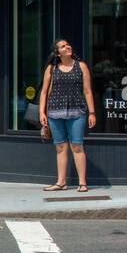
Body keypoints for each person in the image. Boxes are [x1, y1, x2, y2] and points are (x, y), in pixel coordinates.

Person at [39, 39, 96, 192]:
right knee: (60, 147)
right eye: (63, 46)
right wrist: (41, 113)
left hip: (77, 112)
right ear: (58, 52)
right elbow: (44, 92)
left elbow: (87, 91)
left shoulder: (81, 66)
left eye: (68, 45)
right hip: (54, 113)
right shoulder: (51, 69)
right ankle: (61, 182)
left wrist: (92, 112)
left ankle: (82, 183)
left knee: (77, 146)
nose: (68, 47)